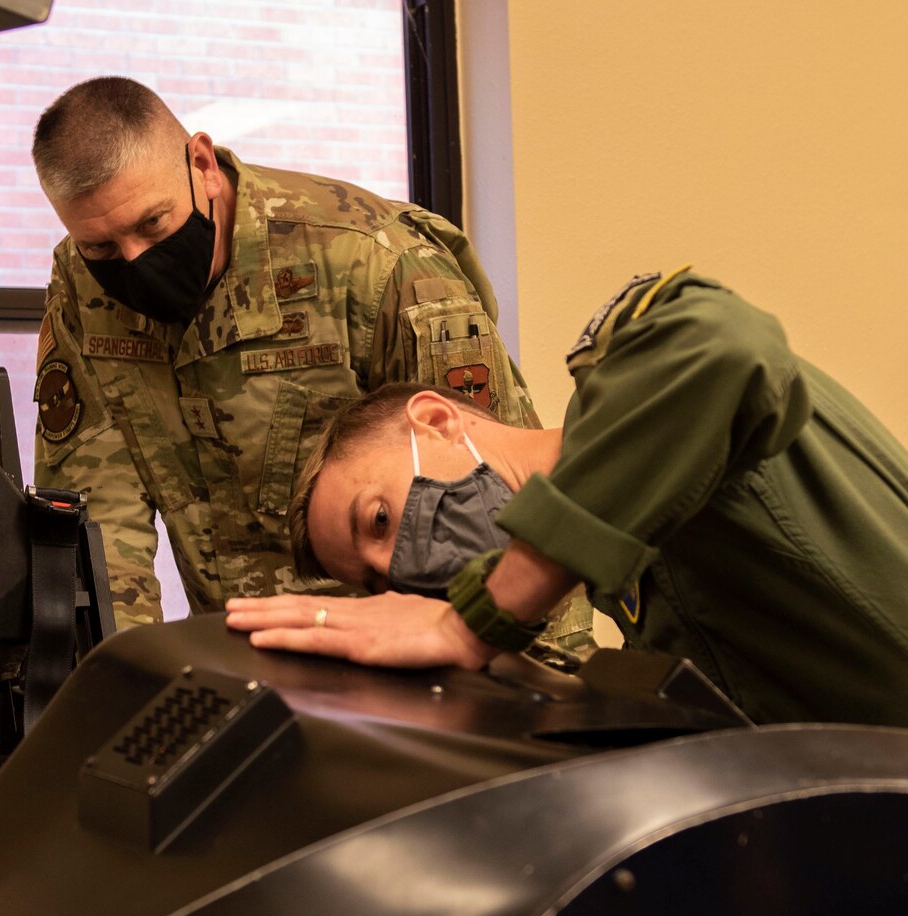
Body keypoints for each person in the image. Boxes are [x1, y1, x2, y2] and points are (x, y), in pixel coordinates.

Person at [29, 76, 588, 643]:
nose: (133, 258)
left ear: (202, 164)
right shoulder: (82, 288)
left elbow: (508, 495)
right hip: (248, 660)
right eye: (101, 247)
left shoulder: (371, 261)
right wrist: (115, 684)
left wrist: (531, 687)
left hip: (418, 651)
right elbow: (96, 520)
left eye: (153, 223)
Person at [224, 267, 908, 726]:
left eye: (379, 518)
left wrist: (471, 621)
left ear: (436, 419)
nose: (403, 569)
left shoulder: (632, 372)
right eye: (379, 580)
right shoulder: (636, 593)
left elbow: (727, 348)